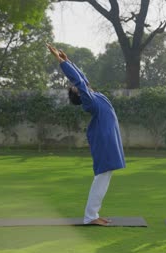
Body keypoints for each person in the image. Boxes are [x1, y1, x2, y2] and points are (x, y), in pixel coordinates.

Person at [47, 43, 126, 226]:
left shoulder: (94, 95)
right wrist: (61, 62)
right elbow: (80, 82)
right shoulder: (89, 102)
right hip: (104, 139)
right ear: (80, 95)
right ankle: (90, 216)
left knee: (105, 176)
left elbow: (83, 79)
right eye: (77, 88)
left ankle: (93, 214)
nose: (80, 86)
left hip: (109, 137)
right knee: (102, 176)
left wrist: (68, 61)